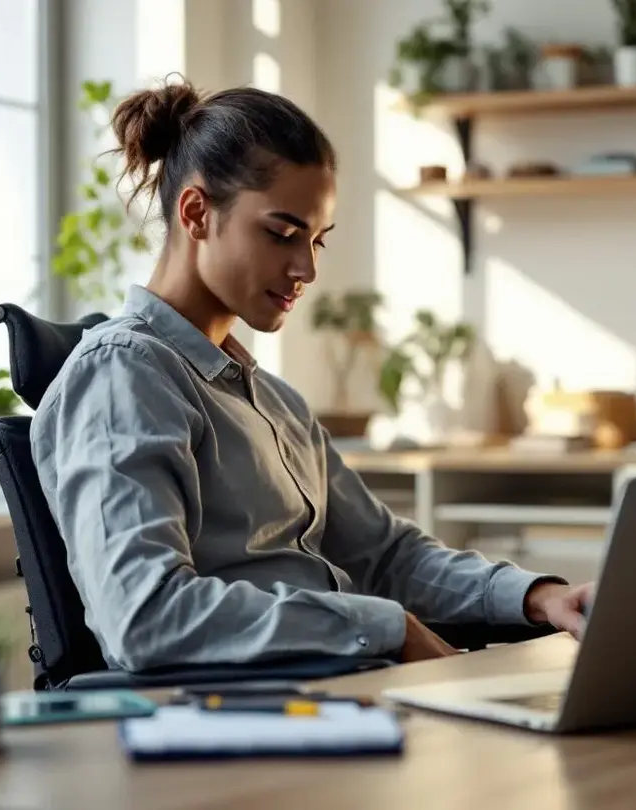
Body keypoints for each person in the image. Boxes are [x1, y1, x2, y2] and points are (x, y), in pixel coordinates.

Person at [31, 78, 595, 671]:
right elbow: (144, 617)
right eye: (282, 233)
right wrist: (383, 626)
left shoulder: (273, 401)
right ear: (196, 213)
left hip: (344, 694)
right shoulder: (123, 376)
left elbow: (385, 558)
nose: (306, 267)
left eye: (318, 240)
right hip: (246, 723)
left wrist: (540, 597)